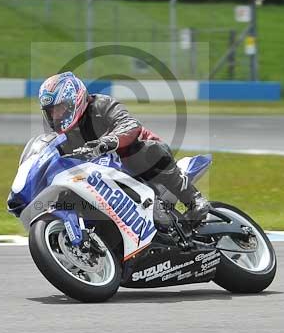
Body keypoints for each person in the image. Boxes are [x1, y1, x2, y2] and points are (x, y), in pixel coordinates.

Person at [37, 71, 210, 228]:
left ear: (73, 101)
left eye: (59, 108)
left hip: (140, 162)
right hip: (103, 178)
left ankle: (194, 200)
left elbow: (129, 124)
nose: (55, 116)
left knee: (140, 153)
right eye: (51, 112)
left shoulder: (101, 105)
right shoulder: (63, 137)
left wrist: (107, 142)